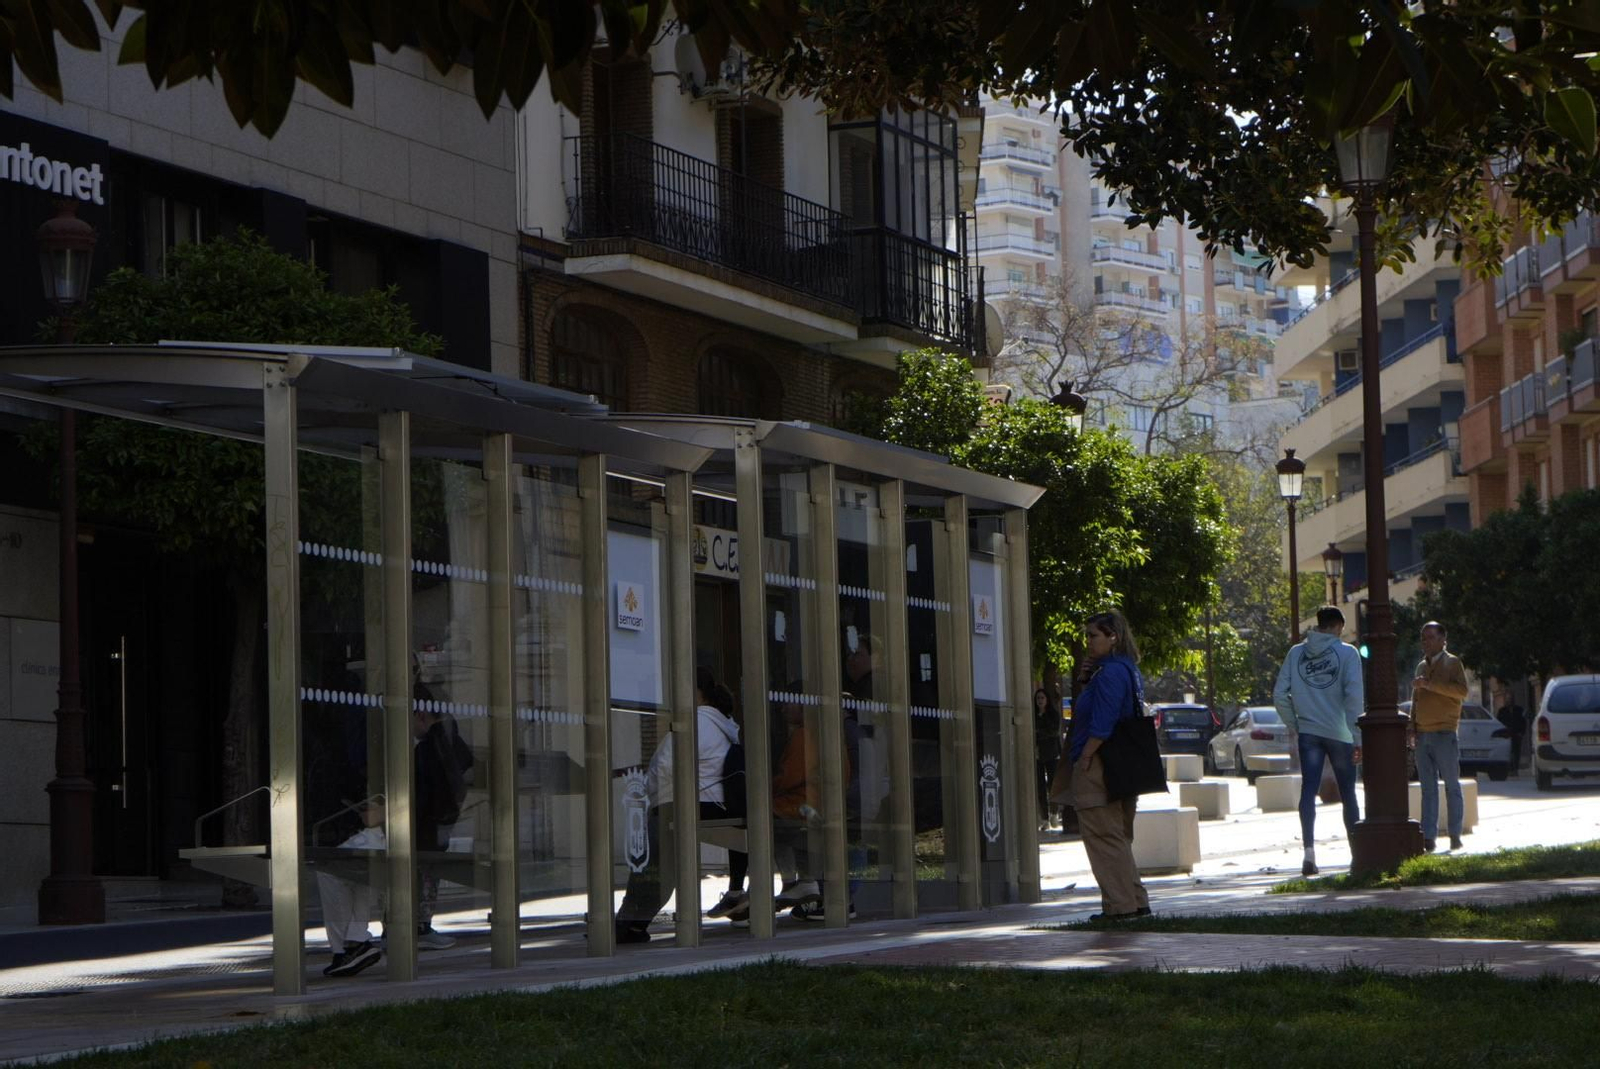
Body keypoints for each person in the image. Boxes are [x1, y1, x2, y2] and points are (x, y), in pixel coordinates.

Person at [615, 676, 744, 943]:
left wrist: (651, 795)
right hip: (712, 802)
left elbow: (665, 765)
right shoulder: (722, 724)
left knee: (650, 865)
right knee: (663, 865)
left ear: (699, 693)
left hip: (680, 802)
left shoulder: (695, 722)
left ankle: (629, 922)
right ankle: (634, 922)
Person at [1067, 610, 1152, 922]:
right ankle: (1134, 901)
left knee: (1103, 836)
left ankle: (1120, 906)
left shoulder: (1111, 673)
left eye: (1093, 636)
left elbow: (1102, 723)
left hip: (1101, 761)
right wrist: (1086, 680)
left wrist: (1085, 757)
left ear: (1113, 637)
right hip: (1123, 763)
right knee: (1117, 835)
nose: (1088, 642)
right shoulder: (1125, 669)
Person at [1272, 605, 1364, 877]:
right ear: (1338, 627)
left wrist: (1297, 724)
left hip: (1309, 733)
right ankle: (1357, 855)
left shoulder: (1296, 653)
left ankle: (1309, 853)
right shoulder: (1348, 653)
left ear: (1319, 624)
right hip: (1341, 733)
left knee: (1308, 791)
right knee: (1348, 794)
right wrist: (1357, 736)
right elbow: (1353, 696)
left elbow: (1280, 695)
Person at [412, 699, 474, 949]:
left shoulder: (428, 747)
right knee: (429, 872)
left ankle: (416, 926)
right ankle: (420, 924)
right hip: (443, 821)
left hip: (425, 821)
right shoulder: (449, 740)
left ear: (420, 714)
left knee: (417, 871)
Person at [1412, 620, 1469, 852]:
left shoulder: (1453, 663)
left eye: (1431, 637)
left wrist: (1431, 685)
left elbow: (1462, 692)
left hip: (1445, 732)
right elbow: (1416, 699)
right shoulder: (1420, 666)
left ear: (1443, 639)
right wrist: (1411, 727)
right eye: (1423, 638)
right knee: (1428, 788)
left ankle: (1455, 834)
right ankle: (1429, 836)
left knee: (1451, 785)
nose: (1426, 642)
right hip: (1422, 734)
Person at [1034, 687, 1063, 832]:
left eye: (1042, 698)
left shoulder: (1053, 714)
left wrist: (1039, 731)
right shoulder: (1033, 715)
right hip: (1038, 754)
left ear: (1047, 700)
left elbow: (1053, 731)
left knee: (1052, 785)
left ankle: (1054, 813)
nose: (1040, 701)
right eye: (1038, 698)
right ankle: (1044, 819)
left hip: (1052, 753)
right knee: (1040, 786)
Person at [1491, 677, 1526, 776]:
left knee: (1516, 751)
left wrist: (1521, 733)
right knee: (1507, 751)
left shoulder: (1519, 710)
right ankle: (1509, 769)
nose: (1509, 700)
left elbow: (1523, 722)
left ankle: (1515, 769)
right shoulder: (1502, 711)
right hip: (1506, 735)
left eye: (1510, 698)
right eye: (1507, 698)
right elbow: (1499, 722)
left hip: (1516, 734)